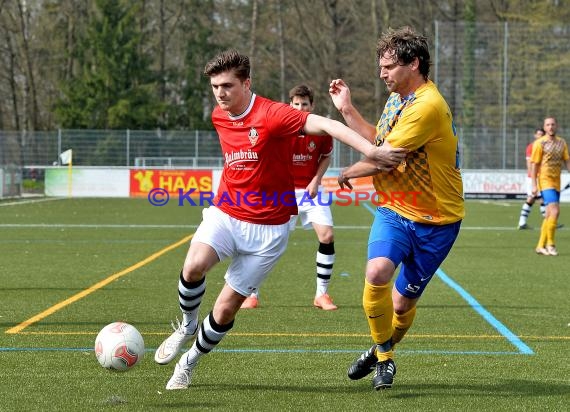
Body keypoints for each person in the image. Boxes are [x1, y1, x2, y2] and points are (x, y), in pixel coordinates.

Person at [154, 49, 407, 390]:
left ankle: (189, 362)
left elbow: (326, 124)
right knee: (193, 266)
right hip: (227, 212)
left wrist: (371, 151)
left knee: (226, 309)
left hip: (269, 230)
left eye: (227, 86)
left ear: (247, 83)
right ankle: (186, 325)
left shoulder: (273, 114)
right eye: (215, 86)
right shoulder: (218, 115)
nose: (220, 93)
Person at [329, 26, 464, 390]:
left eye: (389, 66)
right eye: (381, 66)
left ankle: (377, 350)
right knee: (376, 274)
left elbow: (385, 159)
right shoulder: (398, 99)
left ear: (414, 64)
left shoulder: (427, 105)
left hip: (437, 220)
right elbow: (378, 141)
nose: (382, 73)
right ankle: (386, 358)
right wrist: (347, 109)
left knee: (402, 306)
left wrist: (350, 172)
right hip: (394, 208)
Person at [241, 84, 337, 311]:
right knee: (264, 241)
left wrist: (316, 180)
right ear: (290, 105)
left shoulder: (320, 130)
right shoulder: (280, 127)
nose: (301, 107)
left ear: (311, 106)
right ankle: (251, 293)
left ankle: (321, 295)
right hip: (282, 192)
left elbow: (325, 157)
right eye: (297, 104)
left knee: (327, 235)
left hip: (312, 191)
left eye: (305, 104)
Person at [531, 116, 570, 256]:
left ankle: (540, 246)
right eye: (548, 125)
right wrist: (533, 184)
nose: (550, 127)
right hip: (545, 180)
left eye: (553, 124)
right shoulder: (539, 143)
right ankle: (551, 244)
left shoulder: (562, 143)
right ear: (544, 127)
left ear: (556, 126)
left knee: (549, 214)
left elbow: (567, 160)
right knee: (555, 211)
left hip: (557, 182)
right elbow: (534, 165)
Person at [518, 128, 546, 229]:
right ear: (535, 135)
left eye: (542, 135)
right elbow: (529, 164)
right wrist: (534, 176)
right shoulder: (532, 147)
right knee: (540, 199)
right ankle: (549, 221)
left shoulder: (544, 147)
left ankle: (522, 223)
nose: (540, 137)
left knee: (533, 199)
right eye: (539, 135)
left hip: (540, 177)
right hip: (533, 178)